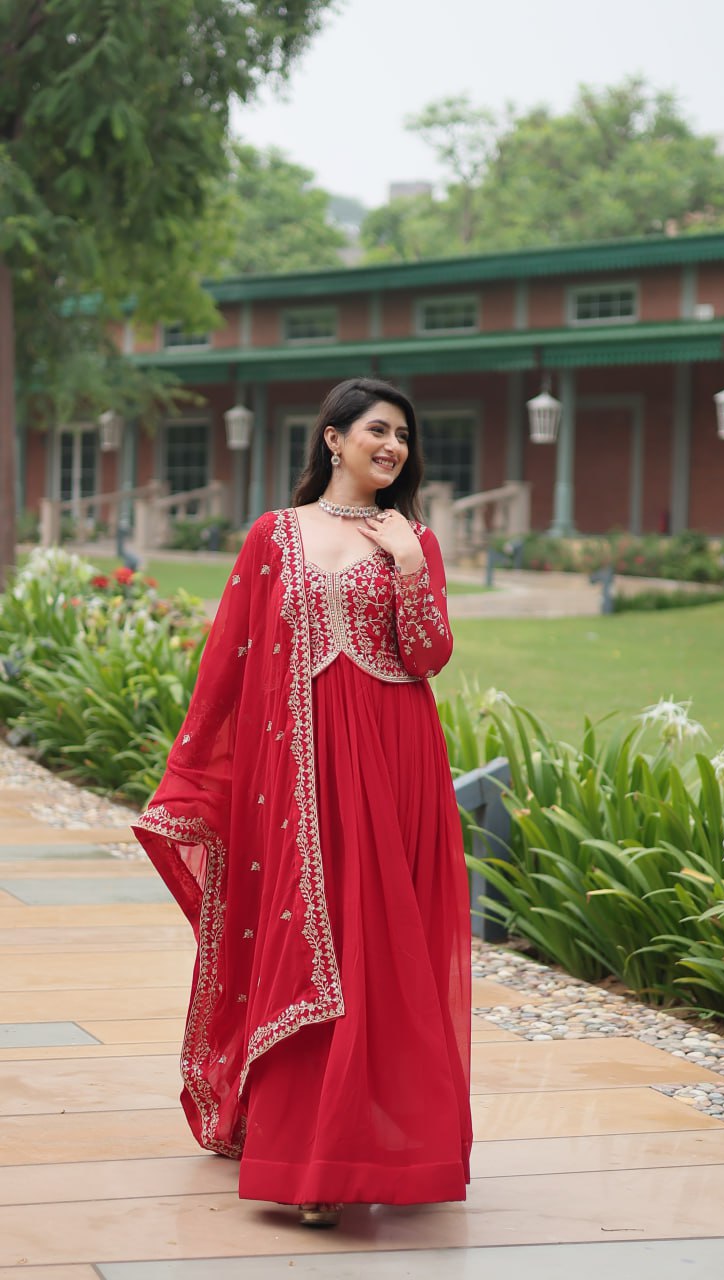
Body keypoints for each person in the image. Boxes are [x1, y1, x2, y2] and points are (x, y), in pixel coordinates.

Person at [132, 377, 473, 1228]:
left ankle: (373, 1147)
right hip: (296, 780)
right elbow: (227, 670)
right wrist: (201, 785)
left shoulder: (414, 539)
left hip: (394, 766)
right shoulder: (272, 537)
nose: (391, 446)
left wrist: (401, 563)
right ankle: (304, 1152)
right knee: (305, 942)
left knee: (377, 950)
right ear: (332, 438)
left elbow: (428, 655)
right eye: (376, 430)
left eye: (402, 435)